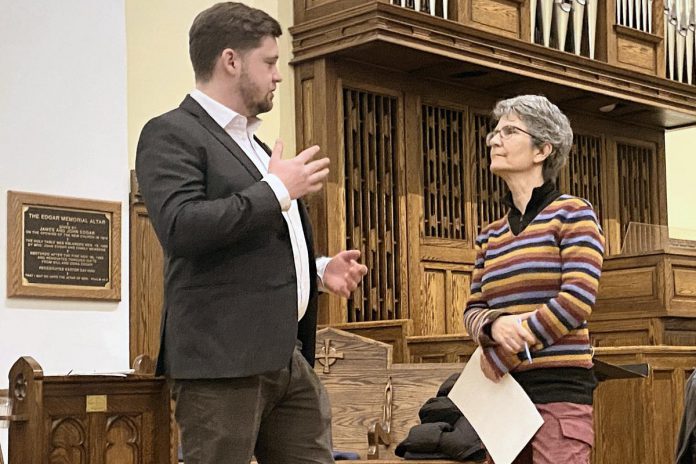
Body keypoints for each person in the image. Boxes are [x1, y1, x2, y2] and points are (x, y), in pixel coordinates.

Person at [135, 3, 368, 463]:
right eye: (270, 62)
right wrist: (278, 188)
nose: (279, 75)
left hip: (287, 357)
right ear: (231, 61)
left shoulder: (257, 146)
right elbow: (182, 227)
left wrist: (318, 270)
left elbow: (256, 243)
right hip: (222, 363)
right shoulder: (171, 133)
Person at [462, 95, 605, 464]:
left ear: (543, 149)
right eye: (494, 132)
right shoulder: (490, 234)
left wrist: (512, 342)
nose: (494, 140)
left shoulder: (574, 214)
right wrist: (493, 327)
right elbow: (473, 309)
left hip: (558, 394)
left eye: (509, 131)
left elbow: (577, 299)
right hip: (504, 400)